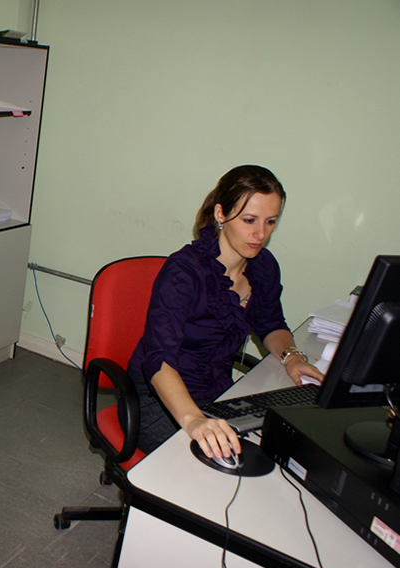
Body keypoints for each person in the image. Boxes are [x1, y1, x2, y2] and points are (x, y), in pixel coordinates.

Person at [126, 165, 323, 460]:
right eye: (249, 220)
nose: (260, 234)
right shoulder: (184, 272)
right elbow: (159, 359)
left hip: (217, 391)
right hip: (159, 397)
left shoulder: (264, 266)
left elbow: (271, 324)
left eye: (270, 222)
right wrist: (194, 420)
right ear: (221, 214)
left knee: (279, 449)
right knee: (218, 462)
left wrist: (291, 357)